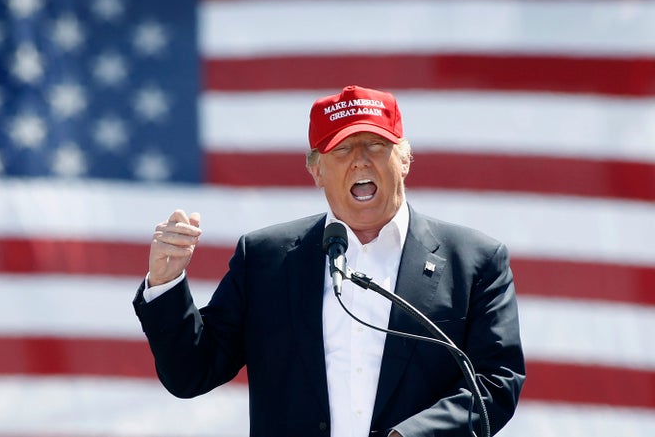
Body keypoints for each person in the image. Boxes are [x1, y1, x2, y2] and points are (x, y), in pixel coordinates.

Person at [133, 85, 526, 436]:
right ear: (316, 170)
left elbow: (495, 381)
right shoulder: (266, 259)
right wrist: (165, 284)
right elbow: (192, 374)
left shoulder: (473, 261)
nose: (360, 161)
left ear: (404, 158)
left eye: (376, 144)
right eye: (341, 149)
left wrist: (414, 435)